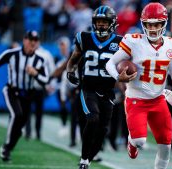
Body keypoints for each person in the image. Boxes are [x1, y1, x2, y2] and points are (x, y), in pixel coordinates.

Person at [106, 3, 172, 169]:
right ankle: (131, 141)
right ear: (143, 23)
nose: (152, 28)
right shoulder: (134, 41)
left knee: (166, 145)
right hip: (136, 99)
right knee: (140, 141)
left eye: (156, 24)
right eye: (149, 24)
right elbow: (110, 63)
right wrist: (118, 77)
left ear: (164, 23)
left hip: (158, 100)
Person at [66, 5, 121, 169]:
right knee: (92, 117)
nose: (101, 25)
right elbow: (75, 56)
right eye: (98, 22)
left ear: (111, 23)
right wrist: (70, 71)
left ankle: (88, 159)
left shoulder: (120, 42)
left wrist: (126, 80)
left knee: (102, 130)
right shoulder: (84, 37)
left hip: (108, 91)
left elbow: (127, 63)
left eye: (105, 22)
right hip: (88, 88)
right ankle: (83, 160)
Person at [0, 30, 49, 162]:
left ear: (38, 43)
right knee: (17, 115)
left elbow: (45, 80)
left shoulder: (40, 60)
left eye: (35, 40)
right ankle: (6, 147)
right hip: (11, 91)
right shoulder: (12, 54)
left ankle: (8, 148)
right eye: (30, 39)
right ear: (24, 40)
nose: (32, 42)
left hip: (28, 95)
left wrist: (35, 74)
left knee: (19, 128)